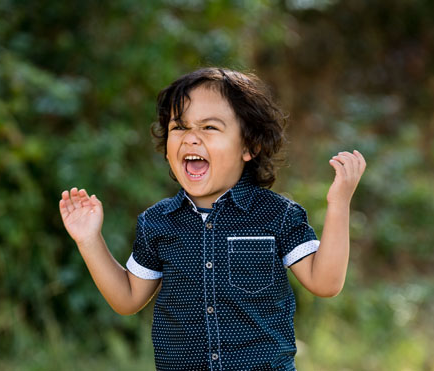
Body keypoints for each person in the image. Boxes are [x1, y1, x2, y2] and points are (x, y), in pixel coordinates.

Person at [59, 67, 366, 370]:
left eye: (209, 128)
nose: (191, 138)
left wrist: (339, 203)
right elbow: (126, 300)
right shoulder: (156, 223)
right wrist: (89, 240)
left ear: (249, 146)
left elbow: (326, 283)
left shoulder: (278, 216)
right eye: (179, 127)